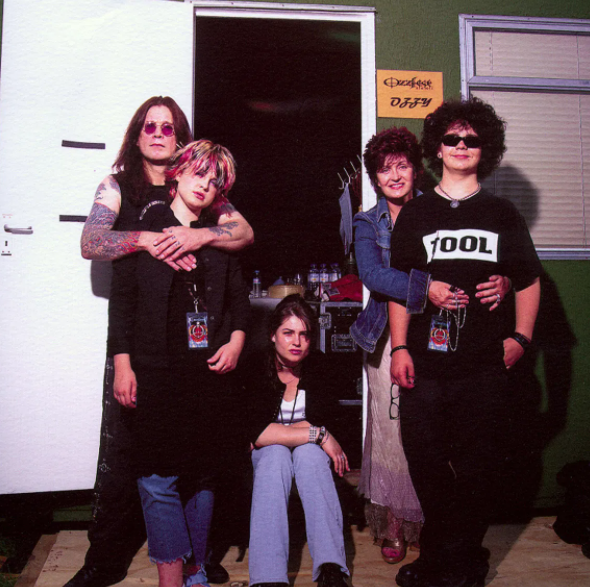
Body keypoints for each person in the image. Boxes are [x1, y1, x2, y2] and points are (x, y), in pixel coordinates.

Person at [69, 96, 253, 587]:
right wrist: (147, 239)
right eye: (148, 125)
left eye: (168, 127)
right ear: (137, 133)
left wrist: (199, 236)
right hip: (140, 352)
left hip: (195, 363)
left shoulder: (203, 180)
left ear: (181, 139)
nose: (157, 133)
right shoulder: (119, 186)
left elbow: (242, 235)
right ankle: (104, 563)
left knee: (199, 466)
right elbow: (91, 244)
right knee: (124, 464)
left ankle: (196, 560)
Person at [389, 98, 542, 587]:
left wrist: (521, 335)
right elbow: (400, 286)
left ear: (485, 148)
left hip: (482, 366)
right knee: (426, 462)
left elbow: (530, 279)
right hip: (426, 366)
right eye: (452, 139)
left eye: (471, 139)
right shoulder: (415, 214)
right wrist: (399, 348)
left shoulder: (501, 212)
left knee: (477, 468)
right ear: (437, 145)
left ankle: (466, 559)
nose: (460, 146)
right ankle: (439, 555)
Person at [350, 127, 510, 565]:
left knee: (432, 440)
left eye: (402, 165)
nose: (395, 175)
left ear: (416, 167)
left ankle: (433, 527)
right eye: (385, 170)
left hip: (445, 339)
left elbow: (481, 259)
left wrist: (506, 279)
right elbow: (374, 276)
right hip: (389, 339)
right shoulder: (368, 221)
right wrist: (428, 287)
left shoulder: (438, 208)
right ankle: (396, 527)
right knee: (391, 437)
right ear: (375, 179)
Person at [110, 138, 251, 587]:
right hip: (153, 373)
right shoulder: (143, 227)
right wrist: (123, 364)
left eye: (214, 182)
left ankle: (195, 576)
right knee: (155, 478)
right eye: (198, 174)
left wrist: (236, 341)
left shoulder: (221, 236)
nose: (205, 186)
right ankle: (173, 578)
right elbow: (124, 302)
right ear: (178, 173)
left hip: (208, 376)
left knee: (202, 475)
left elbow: (239, 300)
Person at [246, 295, 351, 587]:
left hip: (307, 455)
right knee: (274, 457)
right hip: (270, 458)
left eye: (304, 334)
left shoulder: (320, 367)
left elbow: (325, 417)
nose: (297, 342)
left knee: (310, 457)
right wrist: (317, 433)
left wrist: (283, 432)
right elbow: (257, 433)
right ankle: (268, 578)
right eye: (288, 333)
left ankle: (331, 569)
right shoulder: (256, 366)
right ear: (272, 335)